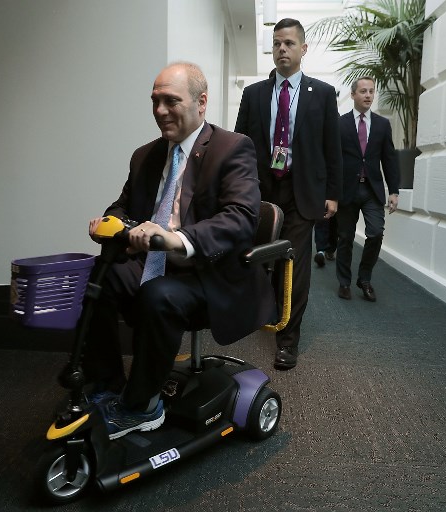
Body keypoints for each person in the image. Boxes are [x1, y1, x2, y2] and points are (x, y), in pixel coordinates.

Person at [83, 62, 275, 440]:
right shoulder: (146, 155)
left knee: (158, 295)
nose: (160, 111)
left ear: (201, 103)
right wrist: (114, 226)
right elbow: (122, 207)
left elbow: (239, 219)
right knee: (97, 277)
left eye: (171, 101)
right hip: (155, 263)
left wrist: (177, 238)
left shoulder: (233, 148)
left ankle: (142, 407)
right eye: (155, 101)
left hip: (211, 272)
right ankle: (107, 385)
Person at [235, 18, 342, 370]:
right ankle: (261, 313)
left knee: (294, 265)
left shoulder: (323, 94)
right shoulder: (254, 94)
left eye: (289, 44)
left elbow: (332, 148)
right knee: (261, 259)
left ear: (303, 49)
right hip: (263, 192)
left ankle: (287, 340)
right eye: (277, 43)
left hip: (303, 190)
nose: (282, 49)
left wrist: (332, 194)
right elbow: (240, 145)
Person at [335, 76, 400, 302]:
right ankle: (344, 282)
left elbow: (389, 159)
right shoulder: (340, 124)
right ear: (353, 95)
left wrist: (394, 190)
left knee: (375, 233)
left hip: (372, 190)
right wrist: (330, 192)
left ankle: (364, 278)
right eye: (363, 91)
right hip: (346, 190)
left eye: (371, 91)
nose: (368, 95)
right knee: (345, 238)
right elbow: (333, 160)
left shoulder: (382, 125)